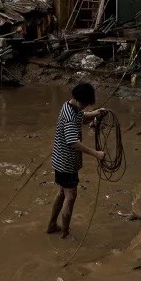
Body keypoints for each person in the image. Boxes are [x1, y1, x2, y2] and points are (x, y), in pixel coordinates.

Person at [47, 83, 106, 238]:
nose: (86, 107)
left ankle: (52, 224)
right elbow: (73, 143)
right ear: (80, 101)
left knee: (62, 192)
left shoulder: (69, 106)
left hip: (60, 159)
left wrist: (95, 113)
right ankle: (65, 233)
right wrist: (96, 154)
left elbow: (82, 117)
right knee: (70, 196)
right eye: (86, 104)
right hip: (67, 163)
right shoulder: (70, 117)